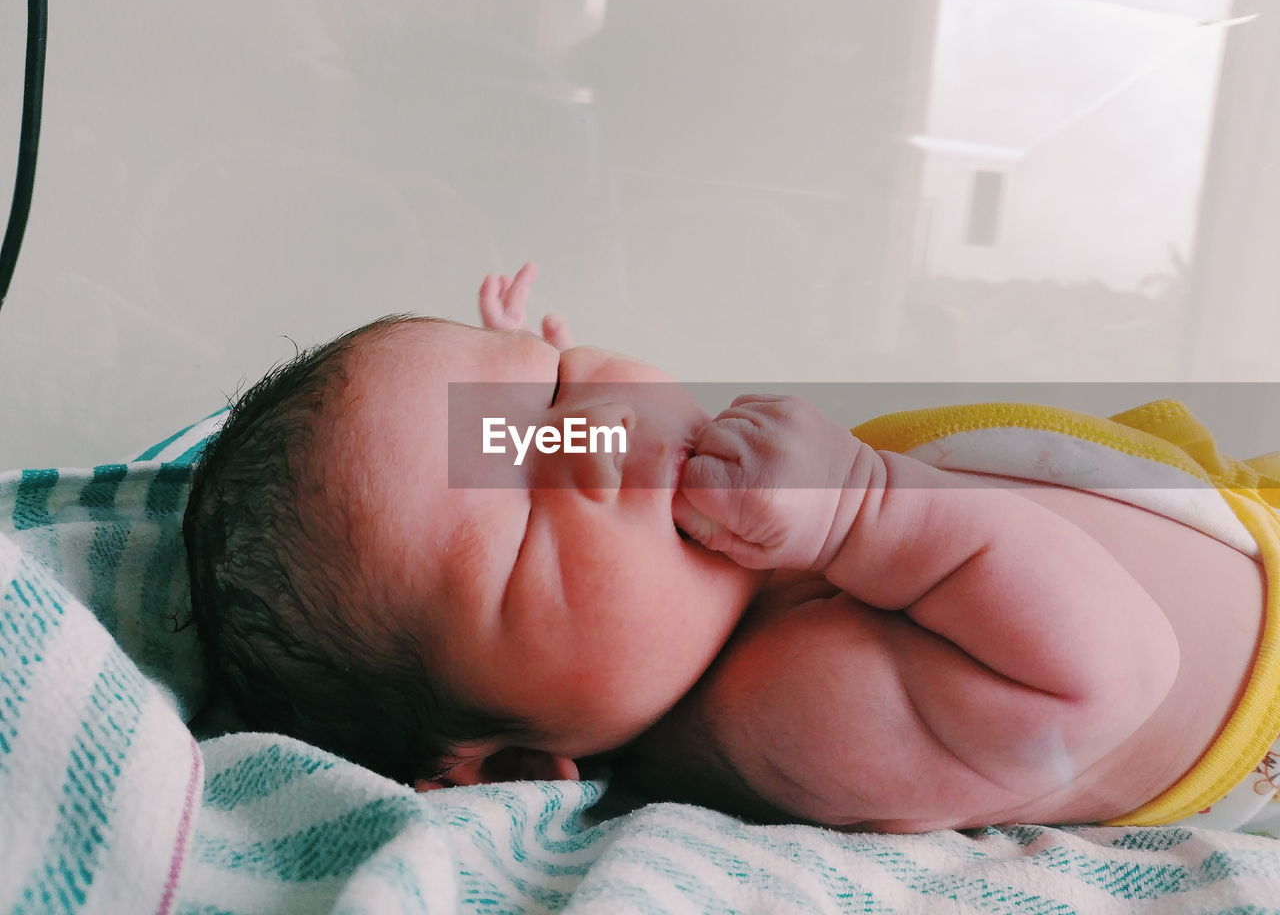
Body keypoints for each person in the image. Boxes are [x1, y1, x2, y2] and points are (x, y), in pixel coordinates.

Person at [184, 264, 1280, 833]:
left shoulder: (693, 591)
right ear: (516, 767)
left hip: (1201, 503)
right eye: (524, 526)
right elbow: (1117, 668)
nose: (593, 439)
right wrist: (863, 506)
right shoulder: (788, 717)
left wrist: (542, 368)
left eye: (547, 399)